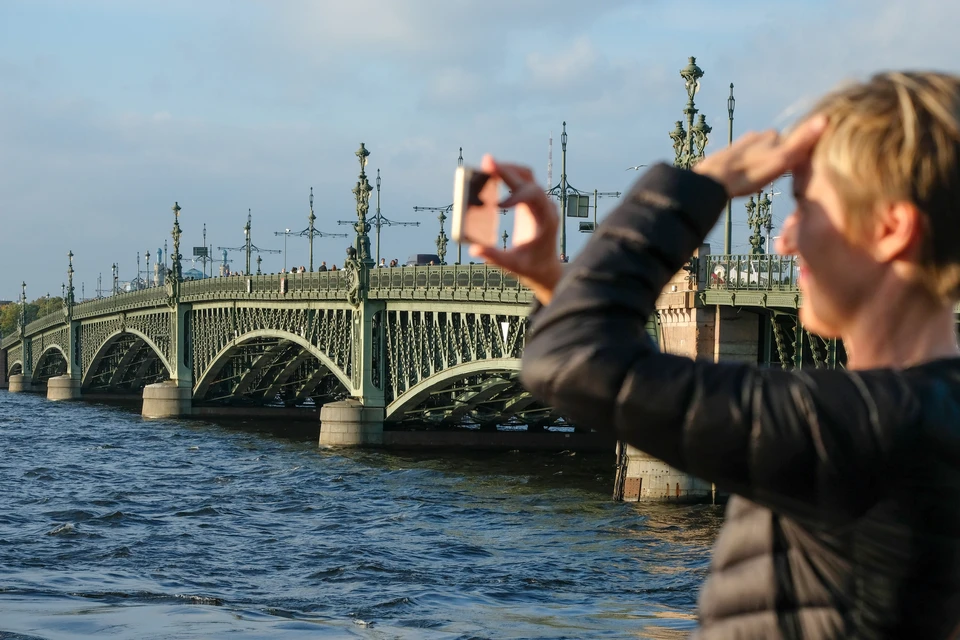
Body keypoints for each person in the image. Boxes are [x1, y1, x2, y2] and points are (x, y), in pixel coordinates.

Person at [473, 72, 960, 639]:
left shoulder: (860, 428)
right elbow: (607, 366)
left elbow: (573, 360)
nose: (785, 237)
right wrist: (555, 281)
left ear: (890, 229)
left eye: (805, 206)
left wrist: (700, 186)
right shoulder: (906, 418)